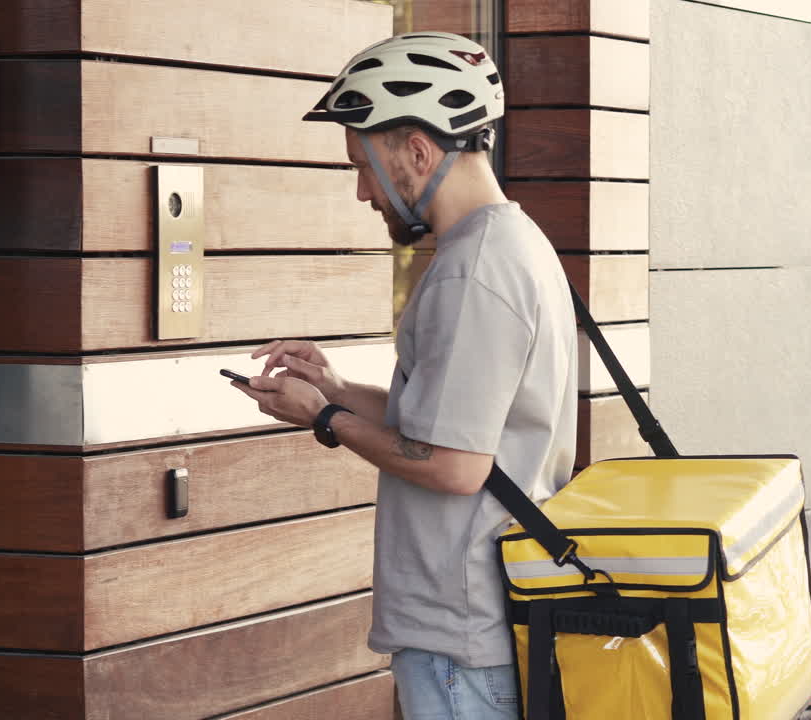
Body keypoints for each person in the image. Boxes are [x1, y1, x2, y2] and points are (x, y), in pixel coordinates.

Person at [230, 32, 578, 719]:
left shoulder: (473, 272)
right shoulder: (512, 246)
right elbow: (461, 420)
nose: (363, 191)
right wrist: (333, 386)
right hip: (476, 625)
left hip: (461, 637)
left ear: (418, 151)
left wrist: (324, 420)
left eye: (362, 164)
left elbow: (453, 466)